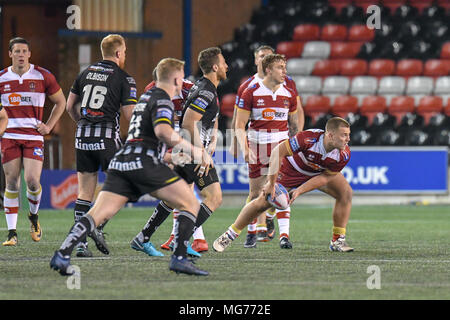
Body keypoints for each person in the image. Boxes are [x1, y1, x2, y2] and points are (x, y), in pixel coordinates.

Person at [50, 57, 210, 276]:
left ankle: (62, 253)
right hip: (143, 163)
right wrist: (196, 152)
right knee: (190, 203)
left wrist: (174, 158)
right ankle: (179, 258)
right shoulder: (163, 99)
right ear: (174, 78)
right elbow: (164, 133)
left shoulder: (146, 98)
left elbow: (144, 139)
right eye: (181, 79)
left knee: (97, 213)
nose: (183, 83)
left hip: (122, 161)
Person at [130, 47, 227, 254]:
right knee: (214, 197)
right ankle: (181, 241)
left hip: (186, 149)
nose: (227, 66)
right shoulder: (206, 89)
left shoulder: (201, 86)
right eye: (224, 62)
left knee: (175, 197)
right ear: (216, 66)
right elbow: (189, 121)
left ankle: (144, 237)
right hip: (191, 150)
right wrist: (201, 154)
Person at [213, 117, 354, 253]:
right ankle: (229, 235)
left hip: (317, 173)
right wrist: (271, 183)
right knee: (262, 202)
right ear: (330, 135)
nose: (348, 139)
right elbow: (277, 152)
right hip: (291, 171)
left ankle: (337, 241)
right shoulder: (308, 138)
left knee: (346, 193)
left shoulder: (344, 154)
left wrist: (299, 191)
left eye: (348, 135)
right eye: (344, 135)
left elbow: (325, 177)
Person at [65, 34, 137, 257]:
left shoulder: (84, 73)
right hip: (106, 138)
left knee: (84, 192)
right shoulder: (124, 78)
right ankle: (96, 226)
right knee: (124, 187)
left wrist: (86, 123)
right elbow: (129, 114)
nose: (124, 55)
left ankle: (80, 244)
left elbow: (70, 107)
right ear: (118, 53)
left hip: (82, 137)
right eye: (124, 52)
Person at [230, 45, 305, 248]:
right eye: (263, 56)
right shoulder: (249, 88)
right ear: (259, 62)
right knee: (256, 194)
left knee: (283, 189)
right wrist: (240, 146)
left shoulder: (288, 88)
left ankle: (282, 233)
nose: (284, 70)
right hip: (258, 145)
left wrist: (296, 143)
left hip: (281, 145)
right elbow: (238, 121)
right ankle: (253, 231)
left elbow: (296, 117)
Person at [0, 37, 66, 246]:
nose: (21, 55)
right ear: (10, 54)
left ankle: (34, 217)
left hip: (33, 137)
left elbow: (60, 102)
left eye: (24, 51)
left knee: (32, 181)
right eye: (17, 51)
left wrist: (49, 126)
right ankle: (12, 233)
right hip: (9, 136)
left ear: (29, 54)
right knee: (11, 182)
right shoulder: (1, 78)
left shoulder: (43, 75)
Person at [137, 69, 209, 254]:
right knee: (179, 189)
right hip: (162, 142)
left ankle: (181, 237)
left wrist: (205, 143)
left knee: (181, 188)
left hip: (182, 139)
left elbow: (203, 118)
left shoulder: (189, 89)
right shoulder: (151, 91)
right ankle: (181, 237)